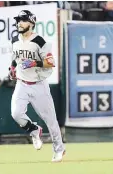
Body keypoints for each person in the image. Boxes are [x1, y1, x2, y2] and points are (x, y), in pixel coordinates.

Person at [9, 10, 65, 162]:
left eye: (23, 20)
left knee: (51, 120)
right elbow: (15, 58)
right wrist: (13, 68)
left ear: (31, 23)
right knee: (16, 113)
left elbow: (51, 62)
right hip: (21, 83)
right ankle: (34, 130)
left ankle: (59, 149)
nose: (19, 23)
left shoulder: (39, 41)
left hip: (38, 84)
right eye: (18, 20)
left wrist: (35, 62)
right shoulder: (15, 39)